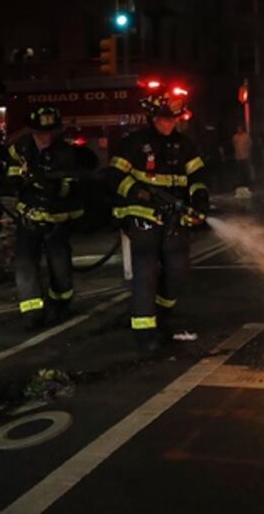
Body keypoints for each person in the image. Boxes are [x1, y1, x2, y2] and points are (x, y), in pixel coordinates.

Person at [107, 81, 209, 352]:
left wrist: (199, 200)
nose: (169, 124)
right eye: (164, 119)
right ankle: (144, 332)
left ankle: (162, 313)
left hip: (174, 220)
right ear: (153, 118)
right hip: (142, 218)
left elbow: (197, 176)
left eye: (173, 119)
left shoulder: (185, 144)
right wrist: (141, 194)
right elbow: (114, 176)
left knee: (177, 270)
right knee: (146, 271)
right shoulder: (134, 144)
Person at [6, 106, 83, 330]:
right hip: (28, 218)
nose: (45, 138)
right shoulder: (20, 148)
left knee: (59, 265)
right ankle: (32, 314)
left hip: (57, 220)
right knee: (25, 265)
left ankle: (61, 303)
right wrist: (21, 180)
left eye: (50, 133)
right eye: (41, 133)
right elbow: (11, 175)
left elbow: (72, 186)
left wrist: (54, 186)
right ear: (33, 130)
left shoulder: (66, 152)